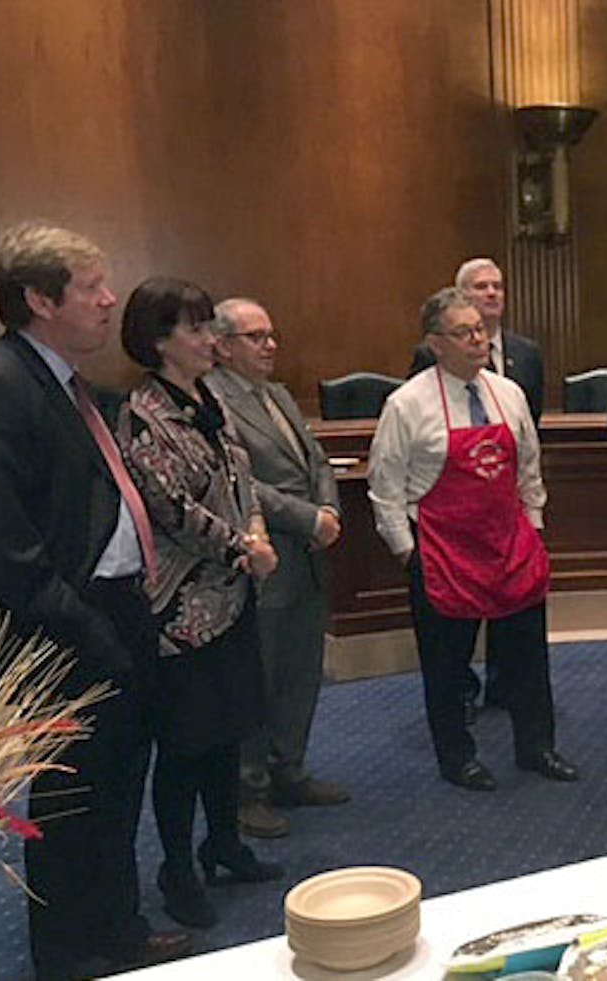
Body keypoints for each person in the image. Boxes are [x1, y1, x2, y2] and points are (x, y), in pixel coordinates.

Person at [0, 223, 191, 978]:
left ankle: (119, 929)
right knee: (73, 802)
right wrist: (91, 635)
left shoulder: (68, 383)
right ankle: (70, 954)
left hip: (118, 612)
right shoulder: (3, 387)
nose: (111, 300)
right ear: (40, 299)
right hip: (64, 629)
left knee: (115, 787)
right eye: (92, 288)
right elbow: (7, 551)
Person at [117, 277, 284, 930]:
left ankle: (224, 843)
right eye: (194, 328)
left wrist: (259, 536)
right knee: (186, 746)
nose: (210, 339)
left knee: (225, 735)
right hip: (181, 612)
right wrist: (244, 547)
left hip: (233, 599)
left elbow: (245, 483)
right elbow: (171, 508)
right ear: (159, 341)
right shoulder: (144, 413)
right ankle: (178, 867)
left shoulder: (209, 398)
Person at [369, 288, 578, 790]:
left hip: (511, 543)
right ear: (436, 343)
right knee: (447, 664)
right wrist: (407, 553)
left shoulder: (508, 394)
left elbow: (528, 468)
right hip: (442, 550)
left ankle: (537, 746)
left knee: (528, 656)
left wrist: (535, 528)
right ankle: (456, 756)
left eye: (480, 329)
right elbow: (385, 487)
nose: (478, 339)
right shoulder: (406, 404)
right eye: (464, 332)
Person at [206, 297, 349, 840]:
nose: (269, 346)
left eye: (271, 335)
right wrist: (308, 516)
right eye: (255, 337)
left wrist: (329, 507)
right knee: (261, 675)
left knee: (300, 669)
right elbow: (238, 480)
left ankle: (290, 769)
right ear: (221, 346)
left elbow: (316, 459)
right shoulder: (214, 401)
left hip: (308, 552)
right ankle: (251, 788)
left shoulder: (280, 395)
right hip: (267, 554)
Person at [408, 257, 544, 420]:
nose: (492, 293)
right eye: (481, 287)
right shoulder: (433, 352)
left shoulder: (528, 354)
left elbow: (531, 419)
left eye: (498, 287)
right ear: (461, 296)